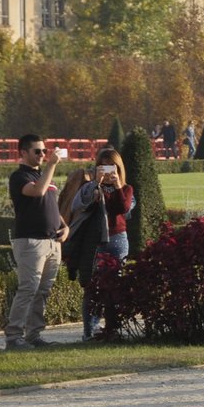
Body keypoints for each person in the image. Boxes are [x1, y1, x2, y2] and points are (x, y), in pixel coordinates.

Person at [6, 134, 70, 351]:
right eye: (37, 151)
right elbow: (38, 191)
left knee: (43, 291)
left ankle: (34, 335)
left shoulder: (43, 175)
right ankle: (14, 336)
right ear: (23, 153)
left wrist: (65, 225)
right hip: (30, 241)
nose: (43, 154)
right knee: (28, 289)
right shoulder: (19, 176)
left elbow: (50, 204)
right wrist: (51, 165)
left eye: (44, 151)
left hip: (52, 241)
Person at [64, 146, 135, 340]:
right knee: (92, 286)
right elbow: (78, 204)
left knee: (114, 286)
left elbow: (123, 207)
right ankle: (90, 330)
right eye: (102, 167)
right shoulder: (90, 188)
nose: (107, 171)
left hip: (118, 240)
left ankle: (111, 328)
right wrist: (96, 186)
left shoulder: (127, 189)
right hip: (95, 241)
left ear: (118, 168)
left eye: (111, 167)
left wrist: (118, 185)